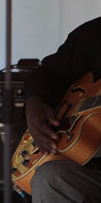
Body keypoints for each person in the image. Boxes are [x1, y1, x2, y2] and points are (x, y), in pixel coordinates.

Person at [23, 16, 101, 202]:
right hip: (93, 167)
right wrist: (34, 102)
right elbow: (48, 73)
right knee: (49, 179)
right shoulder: (95, 33)